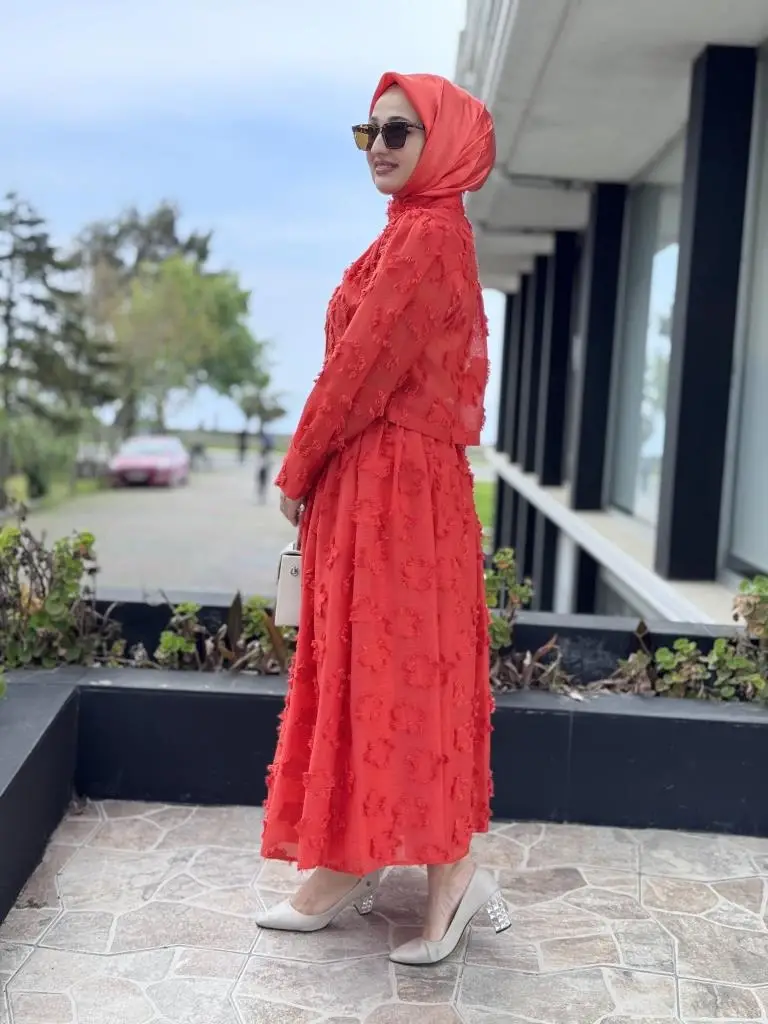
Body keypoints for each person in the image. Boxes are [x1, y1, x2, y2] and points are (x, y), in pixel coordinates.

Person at [257, 71, 508, 966]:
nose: (379, 147)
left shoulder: (430, 235)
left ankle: (450, 876)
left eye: (399, 131)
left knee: (401, 672)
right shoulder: (408, 230)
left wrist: (297, 467)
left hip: (399, 491)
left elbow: (359, 366)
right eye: (369, 131)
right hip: (378, 486)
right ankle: (350, 861)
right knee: (371, 670)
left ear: (443, 143)